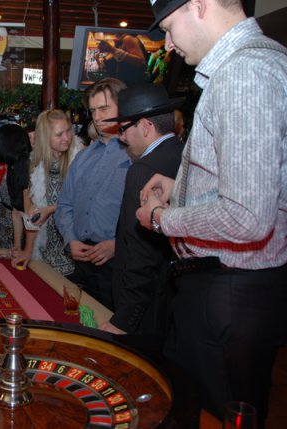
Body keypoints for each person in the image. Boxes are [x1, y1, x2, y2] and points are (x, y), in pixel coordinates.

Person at [137, 0, 287, 425]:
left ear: (198, 6)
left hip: (229, 291)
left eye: (169, 27)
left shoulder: (243, 73)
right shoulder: (263, 60)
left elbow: (246, 216)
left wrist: (162, 218)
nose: (168, 44)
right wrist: (182, 188)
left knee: (207, 417)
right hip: (238, 288)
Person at [97, 83, 184, 337]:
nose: (121, 137)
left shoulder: (142, 170)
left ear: (145, 126)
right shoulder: (185, 156)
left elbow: (140, 254)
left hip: (145, 309)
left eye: (124, 129)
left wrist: (125, 319)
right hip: (175, 299)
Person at [55, 78, 131, 310]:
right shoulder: (83, 157)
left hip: (120, 263)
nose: (97, 117)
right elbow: (64, 205)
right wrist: (71, 239)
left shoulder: (135, 154)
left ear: (123, 108)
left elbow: (149, 215)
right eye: (93, 110)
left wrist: (117, 245)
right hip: (82, 260)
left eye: (104, 109)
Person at [12, 110, 76, 278]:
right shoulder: (33, 165)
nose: (67, 138)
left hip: (73, 247)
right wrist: (28, 251)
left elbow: (85, 202)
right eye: (59, 134)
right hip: (45, 249)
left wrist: (51, 209)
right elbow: (32, 214)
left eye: (68, 131)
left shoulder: (80, 158)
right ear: (44, 137)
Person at [0, 124, 32, 257]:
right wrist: (17, 247)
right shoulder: (12, 167)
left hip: (35, 233)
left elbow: (29, 214)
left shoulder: (27, 167)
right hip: (23, 227)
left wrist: (27, 250)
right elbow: (16, 211)